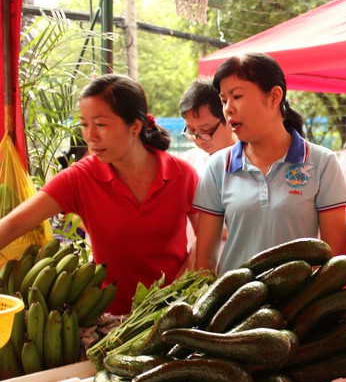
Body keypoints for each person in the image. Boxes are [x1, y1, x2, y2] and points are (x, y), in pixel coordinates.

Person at [0, 74, 199, 315]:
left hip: (174, 312)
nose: (90, 136)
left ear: (135, 126)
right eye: (84, 124)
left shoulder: (182, 175)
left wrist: (174, 291)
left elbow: (204, 241)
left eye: (100, 124)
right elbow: (12, 225)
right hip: (109, 319)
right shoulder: (80, 178)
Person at [194, 52, 346, 273]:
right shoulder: (217, 167)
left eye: (237, 96)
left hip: (299, 305)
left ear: (274, 96)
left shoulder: (322, 163)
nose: (228, 108)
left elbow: (335, 262)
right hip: (234, 305)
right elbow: (205, 263)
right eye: (224, 100)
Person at [178, 79, 238, 174]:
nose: (198, 140)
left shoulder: (251, 161)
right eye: (191, 130)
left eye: (206, 130)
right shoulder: (187, 163)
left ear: (227, 119)